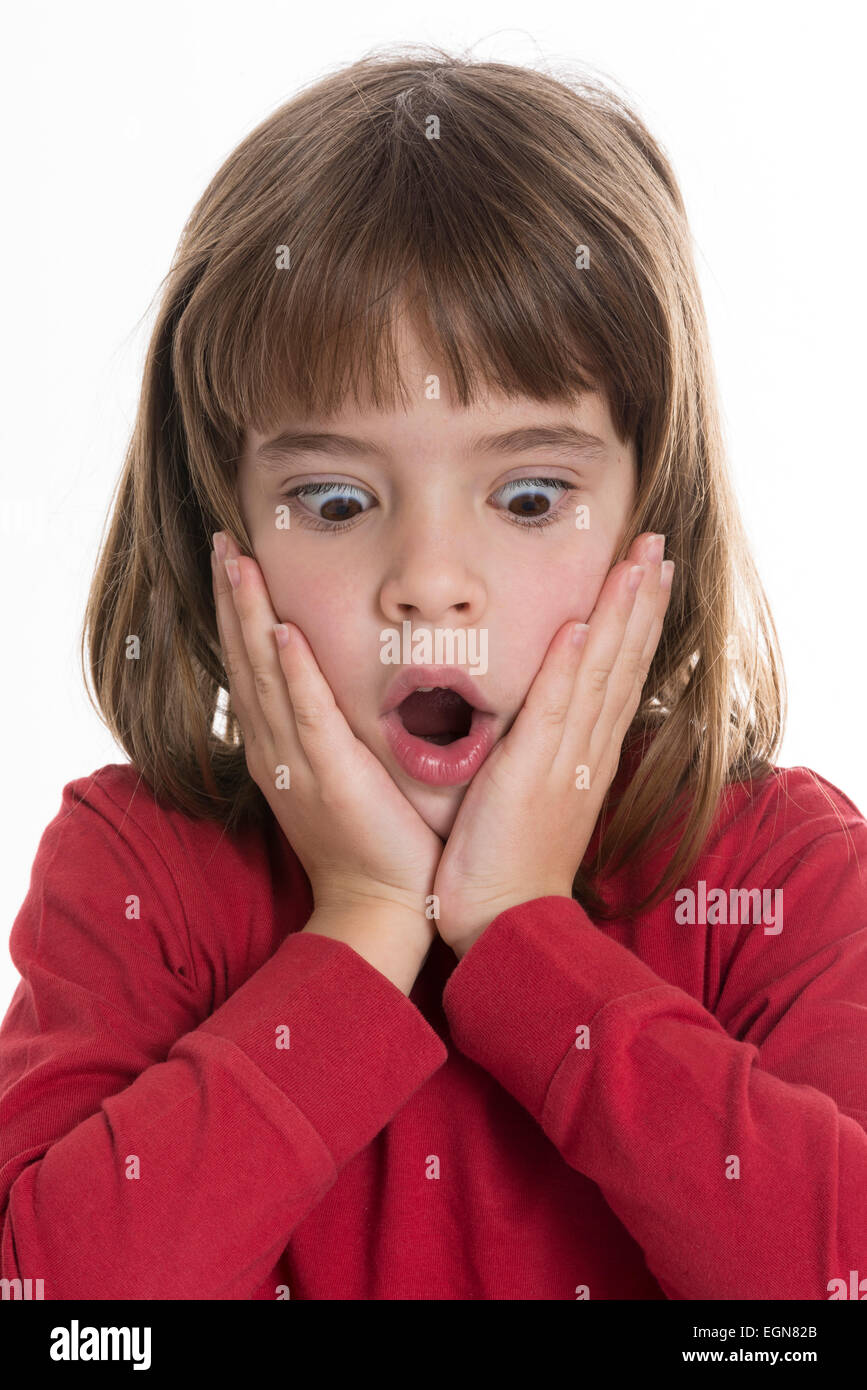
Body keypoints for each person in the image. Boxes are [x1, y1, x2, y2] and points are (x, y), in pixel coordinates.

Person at [1, 45, 865, 1301]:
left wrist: (523, 929)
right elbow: (63, 1316)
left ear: (647, 527)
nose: (431, 582)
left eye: (527, 495)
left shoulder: (778, 872)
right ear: (223, 537)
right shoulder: (139, 873)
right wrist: (357, 925)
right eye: (338, 499)